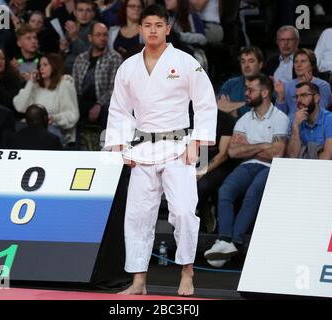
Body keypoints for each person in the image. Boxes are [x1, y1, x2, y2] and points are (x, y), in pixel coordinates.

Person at [104, 4, 217, 296]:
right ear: (140, 30)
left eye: (158, 25)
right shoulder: (128, 66)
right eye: (147, 25)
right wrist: (120, 149)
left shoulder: (185, 61)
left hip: (179, 146)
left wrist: (197, 143)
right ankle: (139, 281)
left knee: (182, 211)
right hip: (141, 149)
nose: (152, 30)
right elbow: (119, 110)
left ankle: (187, 273)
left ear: (167, 28)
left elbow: (204, 103)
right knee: (138, 216)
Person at [204, 74, 289, 267]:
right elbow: (233, 152)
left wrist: (250, 147)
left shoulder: (280, 118)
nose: (246, 94)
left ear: (265, 93)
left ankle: (234, 241)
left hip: (271, 168)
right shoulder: (243, 119)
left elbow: (277, 153)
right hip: (246, 165)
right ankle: (224, 239)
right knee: (224, 191)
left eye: (251, 90)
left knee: (252, 194)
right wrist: (263, 146)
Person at [73, 21, 122, 151]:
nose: (102, 38)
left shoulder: (114, 58)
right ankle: (74, 148)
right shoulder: (80, 59)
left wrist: (99, 104)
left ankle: (106, 146)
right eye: (98, 35)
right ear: (90, 38)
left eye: (105, 35)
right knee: (70, 107)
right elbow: (75, 86)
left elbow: (115, 88)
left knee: (109, 107)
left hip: (103, 101)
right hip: (82, 101)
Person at [13, 53, 79, 147]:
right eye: (40, 65)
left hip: (55, 129)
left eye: (45, 65)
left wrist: (54, 118)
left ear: (54, 66)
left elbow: (72, 115)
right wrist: (30, 83)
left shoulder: (65, 84)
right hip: (32, 128)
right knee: (17, 130)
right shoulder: (35, 86)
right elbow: (20, 107)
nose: (41, 68)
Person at [287, 82, 332, 160]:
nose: (299, 100)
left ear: (316, 98)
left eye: (304, 95)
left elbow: (327, 158)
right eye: (296, 97)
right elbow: (292, 157)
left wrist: (304, 155)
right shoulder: (295, 120)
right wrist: (295, 127)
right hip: (306, 169)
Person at [275, 48, 332, 118]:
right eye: (296, 62)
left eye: (303, 61)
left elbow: (319, 114)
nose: (298, 65)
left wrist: (306, 85)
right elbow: (279, 117)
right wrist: (280, 96)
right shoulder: (287, 86)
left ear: (312, 65)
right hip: (289, 125)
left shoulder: (323, 85)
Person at [216, 46, 264, 119]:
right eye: (243, 61)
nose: (246, 65)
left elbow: (257, 114)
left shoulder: (266, 85)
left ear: (260, 64)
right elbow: (219, 105)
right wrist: (247, 104)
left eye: (251, 61)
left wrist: (230, 108)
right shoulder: (230, 83)